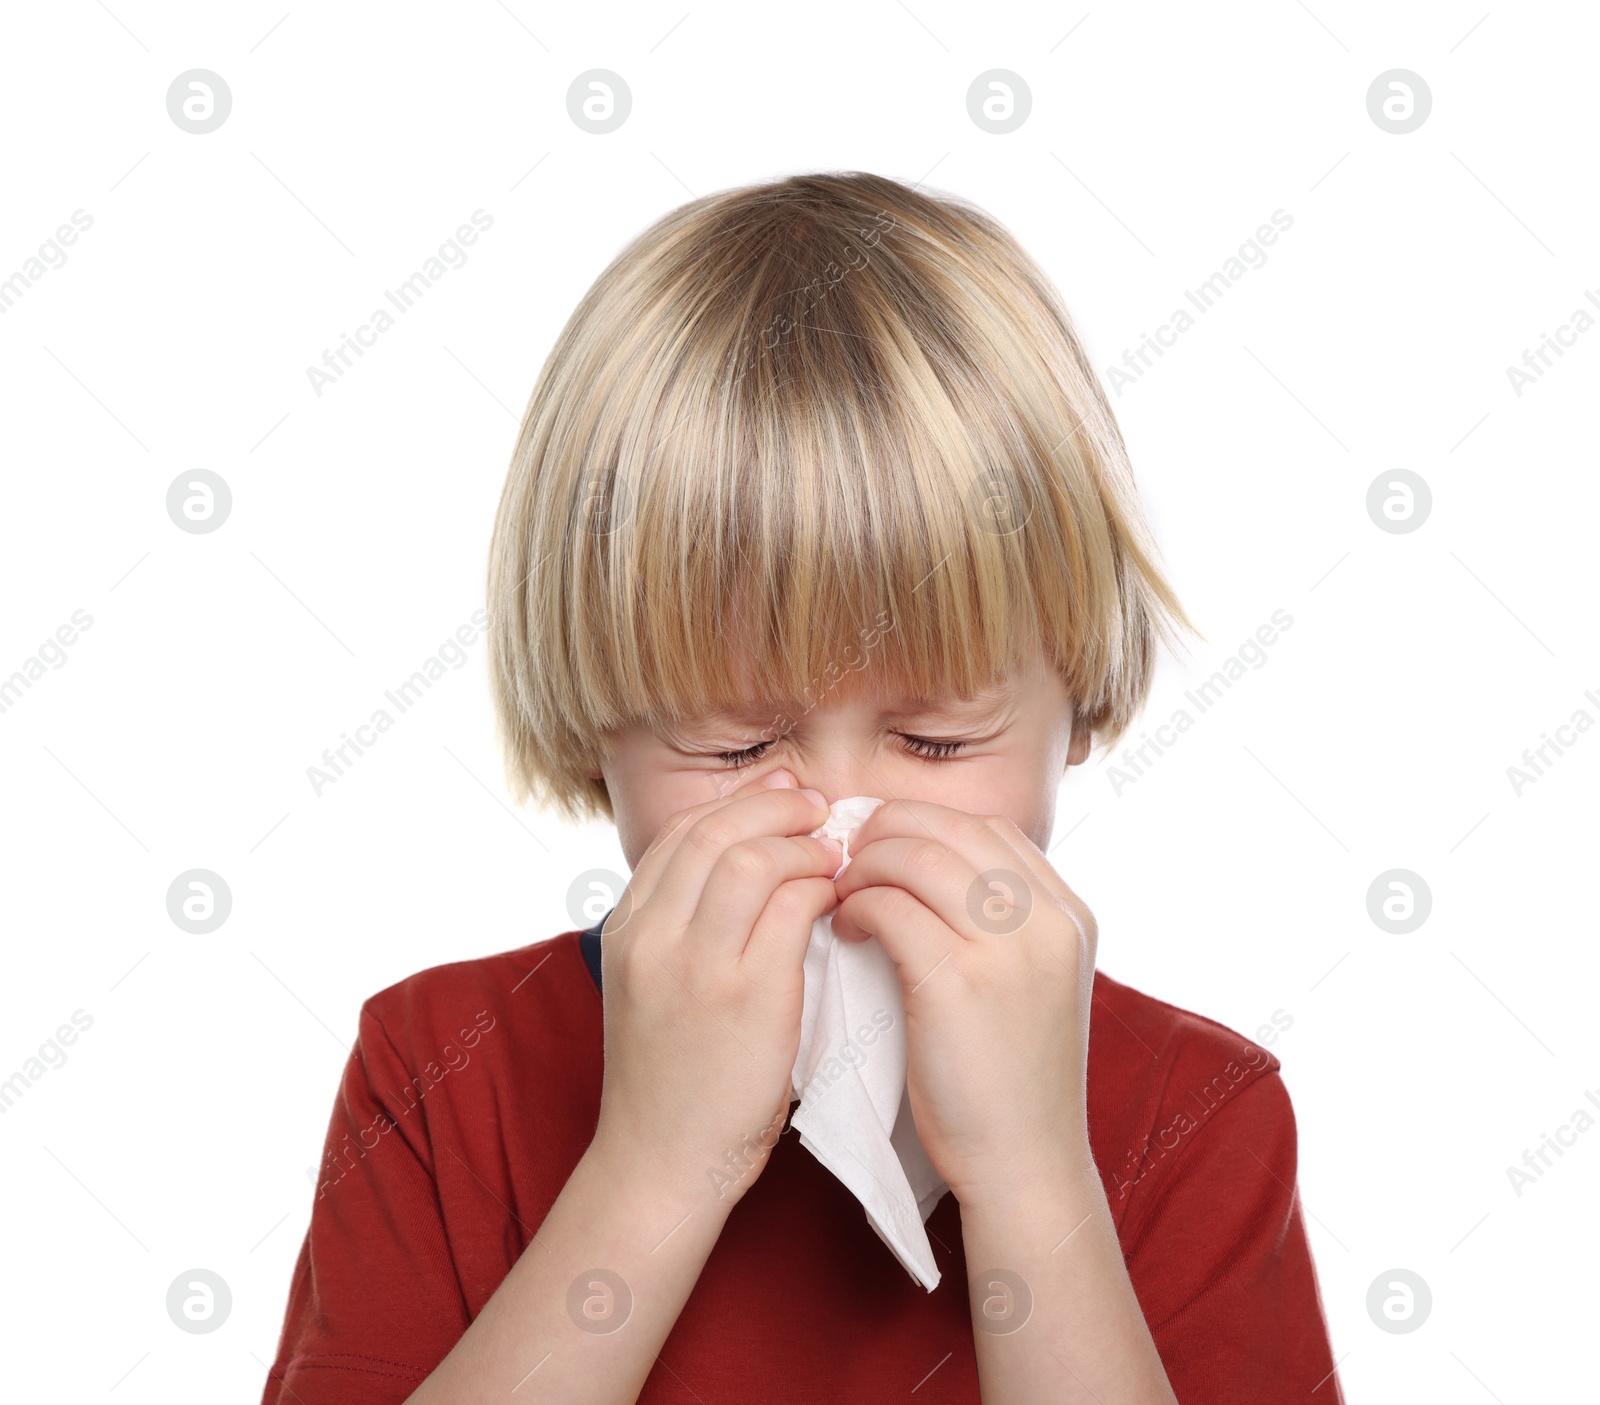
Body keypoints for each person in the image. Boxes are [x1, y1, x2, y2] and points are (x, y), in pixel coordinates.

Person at [261, 170, 1343, 1403]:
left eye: (934, 741)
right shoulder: (442, 1070)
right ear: (588, 733)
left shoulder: (1197, 1114)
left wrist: (1033, 1175)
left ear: (1082, 704)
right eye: (732, 751)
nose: (838, 827)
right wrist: (657, 1168)